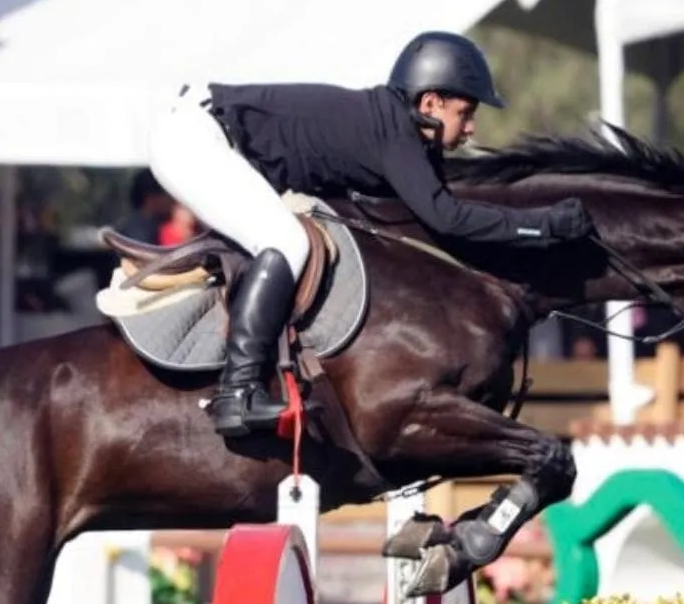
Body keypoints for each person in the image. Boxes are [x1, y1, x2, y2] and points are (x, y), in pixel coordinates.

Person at [146, 30, 595, 437]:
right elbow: (448, 218)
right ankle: (237, 391)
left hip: (202, 132)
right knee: (287, 242)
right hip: (194, 139)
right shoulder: (394, 133)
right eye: (466, 112)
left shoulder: (392, 126)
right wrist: (544, 224)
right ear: (431, 103)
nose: (472, 127)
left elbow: (436, 211)